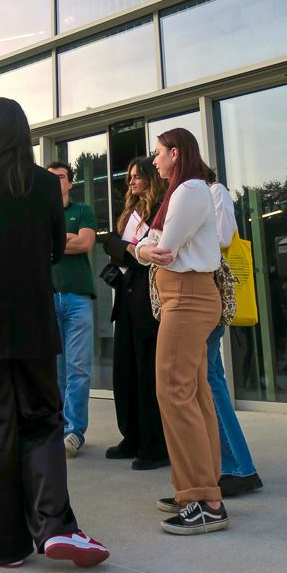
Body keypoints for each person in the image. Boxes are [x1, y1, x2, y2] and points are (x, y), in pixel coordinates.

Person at [0, 97, 109, 569]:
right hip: (33, 323)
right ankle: (55, 524)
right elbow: (57, 248)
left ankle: (4, 546)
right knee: (42, 421)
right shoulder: (43, 186)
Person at [135, 128, 229, 536]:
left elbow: (161, 249)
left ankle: (203, 498)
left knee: (173, 390)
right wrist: (142, 248)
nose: (154, 162)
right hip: (186, 295)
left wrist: (140, 249)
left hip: (187, 295)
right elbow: (146, 244)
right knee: (193, 392)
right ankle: (200, 489)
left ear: (175, 153)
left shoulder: (190, 190)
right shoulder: (183, 191)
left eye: (158, 154)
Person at [102, 157, 169, 470]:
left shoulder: (161, 209)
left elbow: (149, 251)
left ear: (150, 178)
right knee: (125, 369)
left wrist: (127, 248)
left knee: (147, 371)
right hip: (126, 296)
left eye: (136, 176)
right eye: (128, 176)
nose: (130, 181)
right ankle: (131, 436)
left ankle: (153, 445)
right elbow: (111, 243)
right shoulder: (130, 211)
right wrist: (129, 248)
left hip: (147, 297)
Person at [206, 169, 263, 498]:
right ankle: (235, 465)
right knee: (211, 375)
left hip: (212, 293)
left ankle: (238, 467)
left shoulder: (216, 191)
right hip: (204, 293)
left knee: (211, 378)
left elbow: (224, 237)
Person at [46, 161, 97, 458]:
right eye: (50, 178)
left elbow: (85, 243)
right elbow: (38, 246)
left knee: (77, 369)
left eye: (60, 178)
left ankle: (74, 431)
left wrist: (55, 241)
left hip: (77, 299)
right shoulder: (40, 213)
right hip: (48, 297)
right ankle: (58, 426)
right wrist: (66, 238)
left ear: (70, 183)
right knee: (55, 370)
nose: (55, 182)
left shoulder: (83, 210)